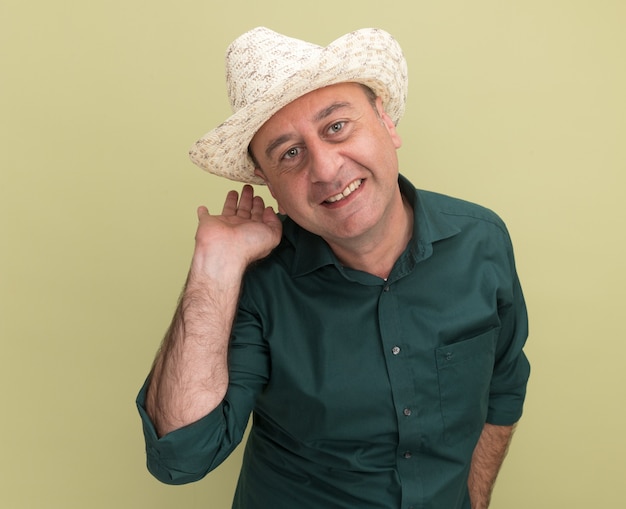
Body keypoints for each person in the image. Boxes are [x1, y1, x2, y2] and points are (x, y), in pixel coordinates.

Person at [136, 26, 530, 509]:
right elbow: (181, 455)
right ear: (268, 183)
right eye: (290, 153)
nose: (324, 170)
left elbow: (504, 387)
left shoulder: (481, 241)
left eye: (336, 126)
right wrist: (213, 269)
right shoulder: (255, 283)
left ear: (385, 121)